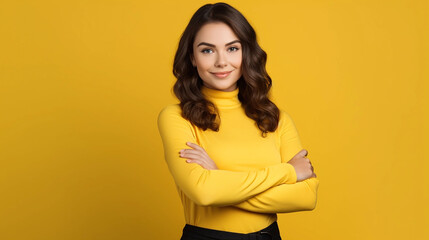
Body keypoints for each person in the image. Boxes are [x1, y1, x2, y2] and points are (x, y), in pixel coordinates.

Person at [157, 2, 319, 240]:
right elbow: (204, 192)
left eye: (232, 49)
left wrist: (219, 176)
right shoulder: (176, 117)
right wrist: (288, 172)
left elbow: (306, 196)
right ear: (192, 57)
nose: (222, 62)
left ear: (246, 52)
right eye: (207, 50)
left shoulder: (275, 118)